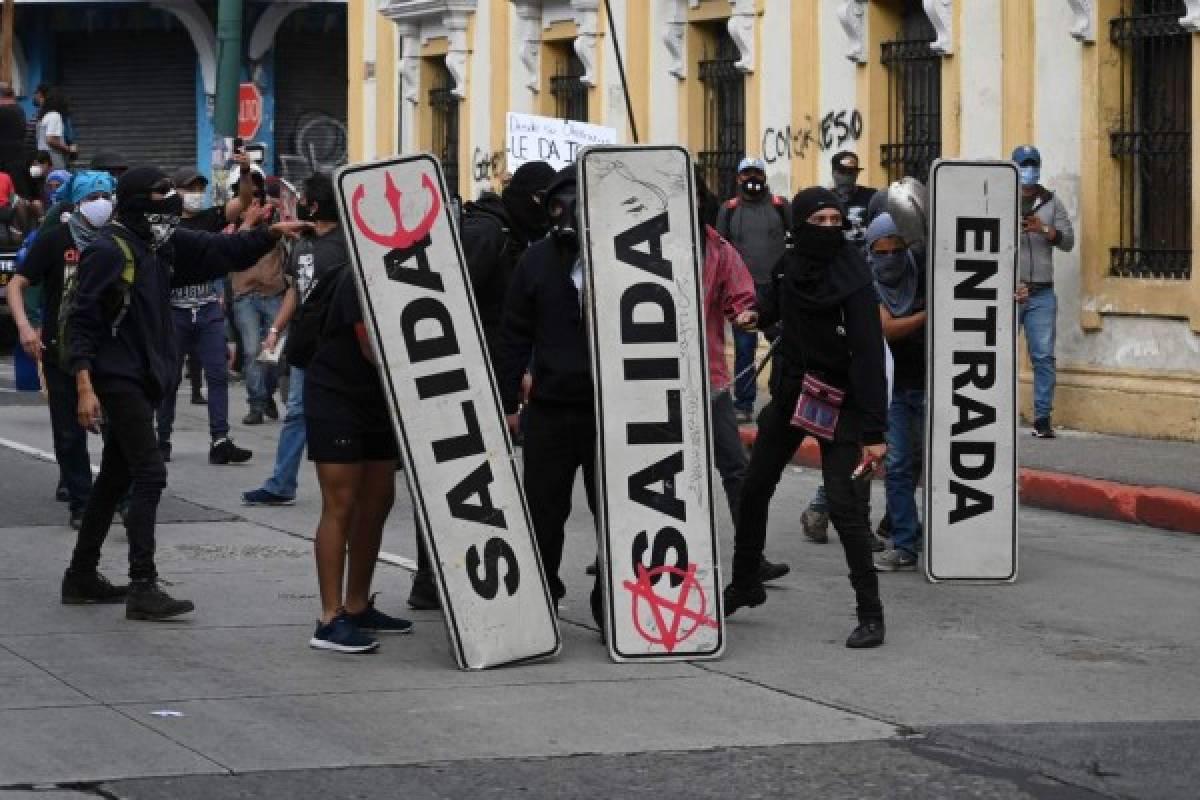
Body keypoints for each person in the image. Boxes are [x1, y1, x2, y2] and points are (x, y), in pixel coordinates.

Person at [64, 166, 309, 619]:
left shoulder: (163, 245)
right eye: (161, 196)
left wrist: (270, 233)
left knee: (115, 477)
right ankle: (143, 585)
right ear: (136, 201)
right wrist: (83, 386)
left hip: (147, 376)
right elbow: (82, 322)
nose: (172, 204)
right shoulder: (107, 250)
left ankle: (80, 575)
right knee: (149, 473)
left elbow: (223, 249)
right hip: (117, 378)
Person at [723, 187, 888, 650]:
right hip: (794, 393)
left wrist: (874, 433)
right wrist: (756, 314)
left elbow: (869, 354)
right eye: (821, 222)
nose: (831, 230)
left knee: (844, 507)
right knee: (754, 488)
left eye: (838, 222)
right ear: (800, 226)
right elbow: (777, 302)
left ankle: (871, 614)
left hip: (841, 400)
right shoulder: (790, 264)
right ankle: (745, 581)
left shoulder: (853, 277)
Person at [406, 159, 556, 611]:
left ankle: (447, 575)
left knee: (476, 476)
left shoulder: (509, 235)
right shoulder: (488, 233)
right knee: (454, 474)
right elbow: (450, 299)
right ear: (533, 200)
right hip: (462, 376)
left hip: (487, 372)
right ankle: (431, 577)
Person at [300, 174, 413, 653]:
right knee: (341, 505)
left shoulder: (403, 269)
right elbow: (371, 345)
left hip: (376, 401)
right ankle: (329, 619)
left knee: (379, 501)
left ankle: (359, 603)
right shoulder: (359, 272)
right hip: (338, 395)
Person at [499, 166, 603, 624]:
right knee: (544, 511)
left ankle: (612, 604)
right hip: (552, 410)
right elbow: (513, 335)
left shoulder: (624, 260)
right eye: (562, 203)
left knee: (616, 513)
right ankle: (543, 592)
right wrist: (506, 403)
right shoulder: (536, 261)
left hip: (609, 414)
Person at [695, 172, 790, 584]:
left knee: (735, 469)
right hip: (649, 383)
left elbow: (742, 299)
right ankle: (613, 549)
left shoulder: (718, 248)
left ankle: (751, 556)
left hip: (710, 380)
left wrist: (753, 317)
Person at [8, 171, 117, 530]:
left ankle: (125, 498)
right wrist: (25, 326)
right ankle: (81, 502)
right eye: (93, 196)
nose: (101, 202)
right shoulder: (56, 240)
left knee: (123, 426)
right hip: (62, 349)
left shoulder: (119, 241)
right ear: (78, 202)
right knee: (70, 434)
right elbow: (18, 284)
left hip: (112, 350)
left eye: (107, 194)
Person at [242, 173, 348, 508]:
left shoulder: (349, 245)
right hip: (306, 344)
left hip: (342, 345)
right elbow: (295, 290)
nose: (296, 202)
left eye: (302, 197)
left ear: (314, 205)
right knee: (297, 413)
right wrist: (275, 331)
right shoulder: (301, 242)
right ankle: (281, 484)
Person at [156, 166, 252, 466]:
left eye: (200, 188)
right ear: (176, 192)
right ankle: (161, 440)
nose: (196, 195)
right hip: (174, 310)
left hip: (208, 305)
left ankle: (220, 440)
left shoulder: (211, 218)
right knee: (169, 378)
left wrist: (246, 170)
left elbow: (244, 200)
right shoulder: (163, 225)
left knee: (218, 374)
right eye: (189, 188)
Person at [865, 213, 927, 572]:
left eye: (897, 249)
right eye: (881, 251)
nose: (890, 258)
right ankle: (905, 543)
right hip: (891, 387)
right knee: (900, 463)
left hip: (929, 382)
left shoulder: (922, 273)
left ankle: (897, 520)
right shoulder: (867, 283)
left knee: (918, 461)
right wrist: (930, 315)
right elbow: (885, 329)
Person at [716, 157, 791, 424]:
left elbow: (793, 242)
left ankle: (782, 398)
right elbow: (720, 250)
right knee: (744, 348)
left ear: (765, 176)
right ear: (737, 179)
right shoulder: (729, 209)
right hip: (742, 293)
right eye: (746, 174)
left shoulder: (780, 207)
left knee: (782, 347)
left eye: (757, 174)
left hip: (777, 292)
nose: (752, 179)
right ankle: (744, 404)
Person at [1012, 144, 1074, 439]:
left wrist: (1044, 229)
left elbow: (1068, 241)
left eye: (1033, 164)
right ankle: (993, 413)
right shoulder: (1001, 199)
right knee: (998, 354)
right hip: (1010, 292)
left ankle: (1042, 419)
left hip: (1041, 293)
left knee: (1043, 356)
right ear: (1013, 167)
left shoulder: (1051, 202)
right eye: (1024, 164)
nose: (1029, 169)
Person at [229, 164, 286, 425]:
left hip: (273, 293)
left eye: (257, 190)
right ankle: (256, 404)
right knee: (251, 350)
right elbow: (230, 249)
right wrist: (248, 222)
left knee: (274, 353)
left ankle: (268, 393)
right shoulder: (232, 222)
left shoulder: (276, 219)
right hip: (245, 295)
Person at [829, 150, 878, 247]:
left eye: (851, 172)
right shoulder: (826, 199)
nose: (847, 177)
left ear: (857, 174)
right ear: (833, 173)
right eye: (842, 172)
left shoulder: (872, 196)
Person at [36, 89, 76, 171]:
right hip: (54, 161)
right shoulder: (55, 116)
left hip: (44, 160)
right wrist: (68, 149)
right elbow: (50, 140)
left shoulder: (45, 116)